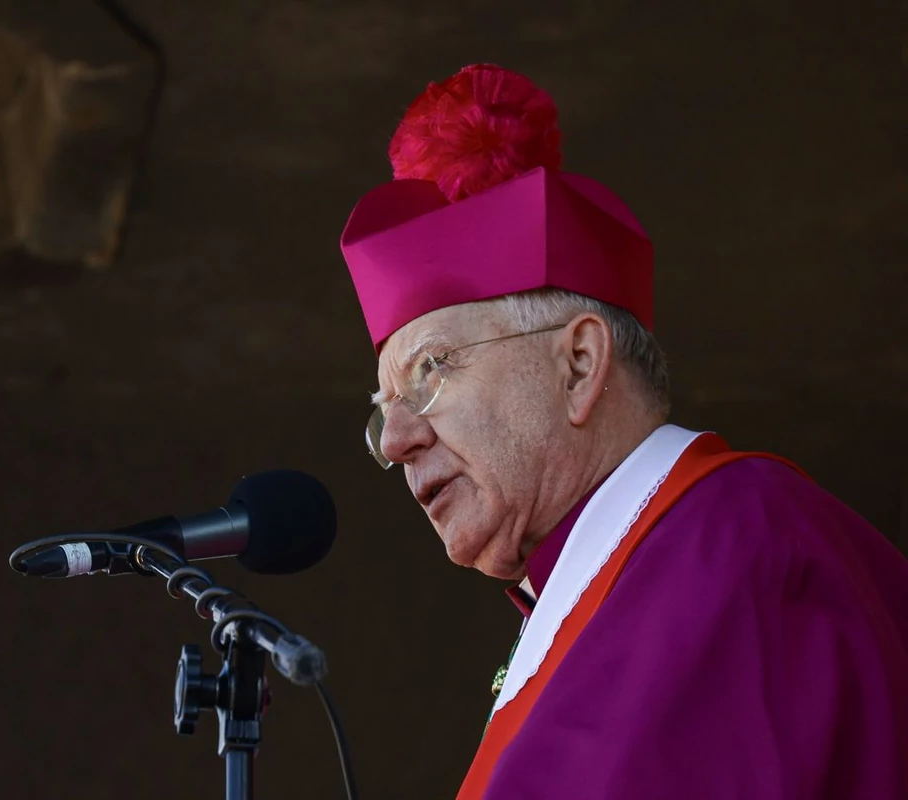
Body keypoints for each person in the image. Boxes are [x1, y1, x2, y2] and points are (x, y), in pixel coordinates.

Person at [338, 63, 908, 799]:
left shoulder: (737, 538)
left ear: (579, 365)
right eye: (386, 407)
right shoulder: (602, 585)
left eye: (431, 372)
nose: (395, 440)